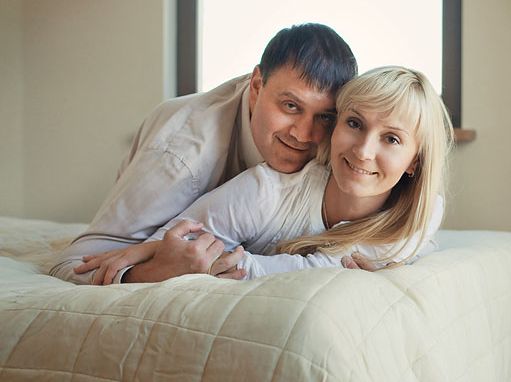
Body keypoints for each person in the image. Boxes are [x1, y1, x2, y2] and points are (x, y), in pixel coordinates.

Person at [80, 66, 453, 284]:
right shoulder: (267, 190)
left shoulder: (416, 220)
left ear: (415, 162)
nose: (363, 151)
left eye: (391, 139)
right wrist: (151, 250)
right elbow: (175, 240)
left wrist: (229, 263)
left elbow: (316, 268)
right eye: (354, 123)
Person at [49, 23, 357, 285]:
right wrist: (155, 272)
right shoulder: (180, 156)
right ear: (256, 86)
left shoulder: (341, 142)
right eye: (290, 106)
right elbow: (71, 266)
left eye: (324, 117)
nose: (304, 135)